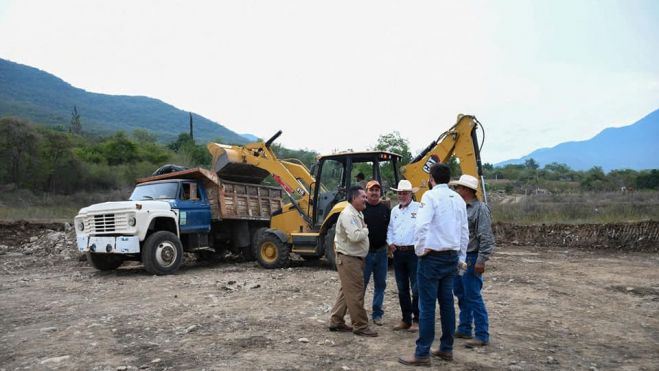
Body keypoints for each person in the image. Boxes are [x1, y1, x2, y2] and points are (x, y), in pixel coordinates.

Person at [399, 163, 468, 367]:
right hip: (451, 256)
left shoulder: (429, 197)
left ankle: (422, 353)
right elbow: (464, 231)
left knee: (427, 306)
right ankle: (446, 348)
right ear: (449, 179)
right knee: (447, 303)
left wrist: (420, 250)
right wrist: (461, 257)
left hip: (432, 258)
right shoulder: (458, 199)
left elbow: (421, 226)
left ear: (431, 178)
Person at [449, 174, 495, 348]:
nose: (457, 190)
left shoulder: (480, 209)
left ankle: (482, 334)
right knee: (461, 293)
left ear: (467, 190)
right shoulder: (461, 208)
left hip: (472, 256)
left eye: (459, 188)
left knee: (473, 296)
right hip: (461, 257)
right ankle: (465, 327)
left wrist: (481, 260)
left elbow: (486, 237)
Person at [328, 185, 379, 337]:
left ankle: (336, 321)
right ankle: (361, 326)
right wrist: (366, 230)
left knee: (346, 291)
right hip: (349, 259)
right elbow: (355, 236)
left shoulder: (356, 213)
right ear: (354, 198)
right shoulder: (348, 215)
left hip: (352, 258)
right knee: (356, 292)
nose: (366, 199)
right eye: (363, 196)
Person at [387, 179, 421, 332]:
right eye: (400, 193)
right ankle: (406, 319)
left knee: (416, 288)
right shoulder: (394, 211)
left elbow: (424, 229)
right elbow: (390, 229)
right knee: (402, 288)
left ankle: (417, 320)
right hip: (399, 253)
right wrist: (390, 242)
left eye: (405, 193)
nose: (402, 195)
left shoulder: (420, 208)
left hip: (414, 252)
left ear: (411, 194)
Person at [362, 179, 390, 326]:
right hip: (365, 254)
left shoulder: (385, 210)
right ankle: (359, 314)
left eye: (377, 190)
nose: (374, 192)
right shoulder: (361, 209)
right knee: (362, 284)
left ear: (380, 192)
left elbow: (391, 230)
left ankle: (377, 314)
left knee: (380, 284)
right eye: (371, 190)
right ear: (366, 192)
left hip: (381, 253)